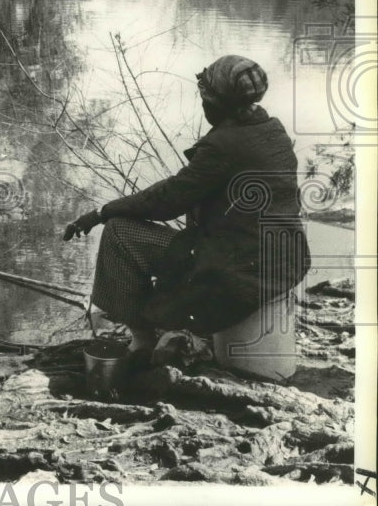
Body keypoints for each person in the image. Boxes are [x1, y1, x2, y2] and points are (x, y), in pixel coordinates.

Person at [63, 54, 310, 360]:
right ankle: (181, 324)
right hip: (284, 261)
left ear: (217, 103)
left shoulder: (222, 145)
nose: (203, 105)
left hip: (245, 270)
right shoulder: (272, 130)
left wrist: (103, 212)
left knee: (120, 233)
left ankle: (142, 340)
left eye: (205, 98)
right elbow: (184, 187)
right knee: (178, 260)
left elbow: (167, 200)